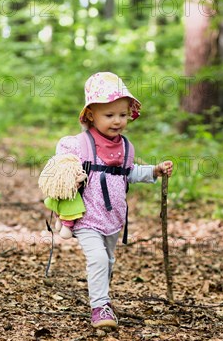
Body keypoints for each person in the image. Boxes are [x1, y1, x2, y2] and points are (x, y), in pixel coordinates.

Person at [53, 72, 173, 328]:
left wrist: (154, 170)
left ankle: (102, 296)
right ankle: (100, 307)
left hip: (114, 217)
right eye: (109, 115)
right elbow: (62, 163)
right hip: (86, 216)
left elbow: (129, 174)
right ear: (91, 116)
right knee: (96, 258)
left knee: (107, 260)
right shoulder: (81, 144)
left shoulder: (126, 147)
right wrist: (70, 175)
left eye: (122, 114)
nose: (117, 121)